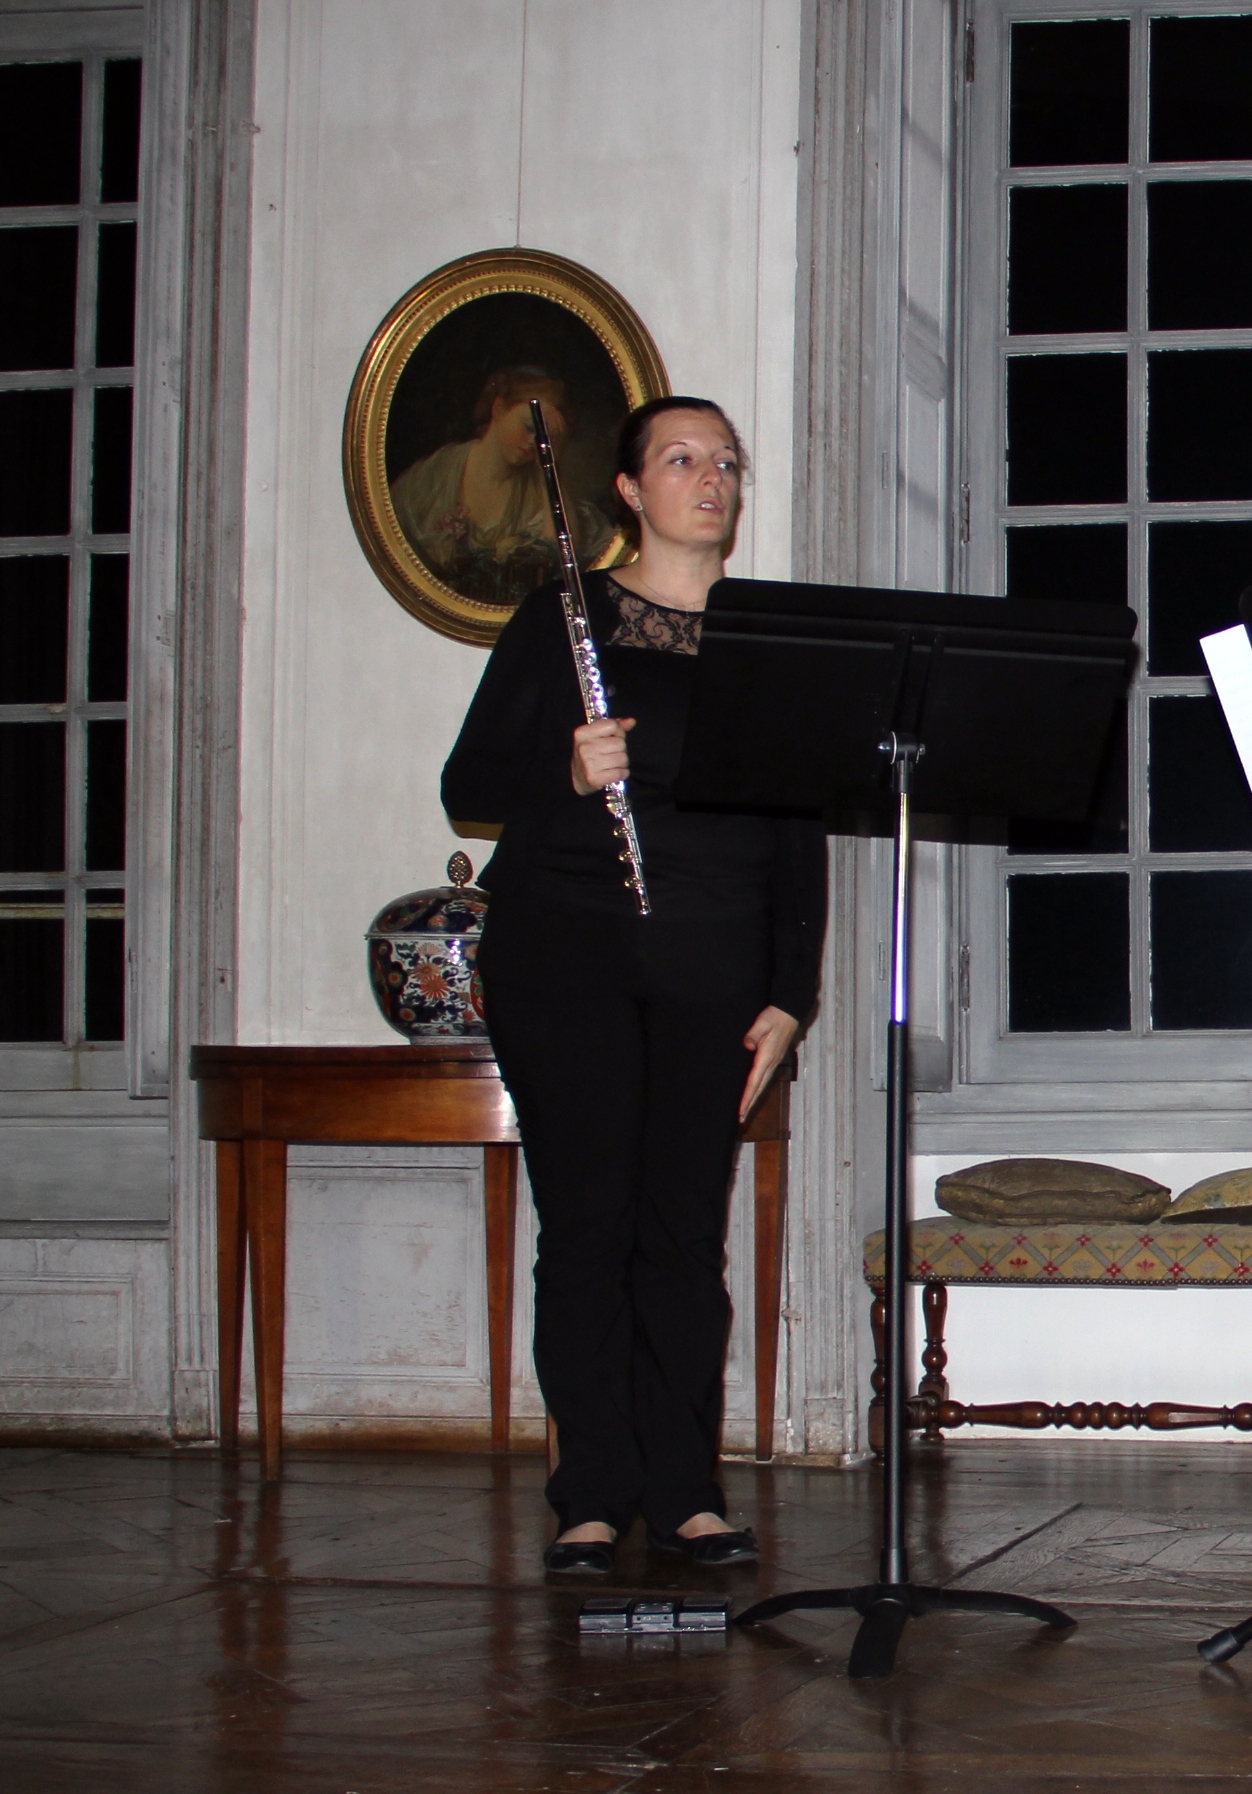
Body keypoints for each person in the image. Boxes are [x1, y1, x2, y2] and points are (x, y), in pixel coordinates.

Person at [442, 396, 826, 1575]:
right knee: (591, 1228)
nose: (709, 479)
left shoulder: (769, 637)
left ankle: (688, 1489)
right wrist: (562, 763)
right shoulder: (562, 621)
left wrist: (791, 992)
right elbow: (469, 779)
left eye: (724, 462)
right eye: (680, 459)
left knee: (683, 1237)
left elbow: (795, 825)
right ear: (626, 489)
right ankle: (593, 1494)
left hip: (713, 965)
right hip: (565, 957)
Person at [393, 366, 621, 612]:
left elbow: (560, 561)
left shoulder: (543, 491)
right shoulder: (433, 477)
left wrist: (549, 467)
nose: (535, 443)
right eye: (529, 427)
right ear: (499, 408)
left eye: (546, 437)